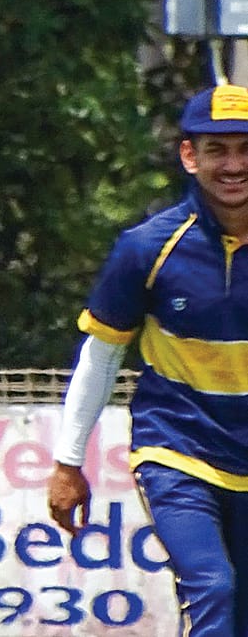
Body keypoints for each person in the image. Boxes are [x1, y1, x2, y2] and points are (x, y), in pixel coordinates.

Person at [47, 83, 248, 637]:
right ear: (190, 157)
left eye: (245, 149)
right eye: (217, 150)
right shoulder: (146, 248)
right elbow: (102, 356)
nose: (233, 165)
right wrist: (68, 461)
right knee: (214, 588)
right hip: (179, 449)